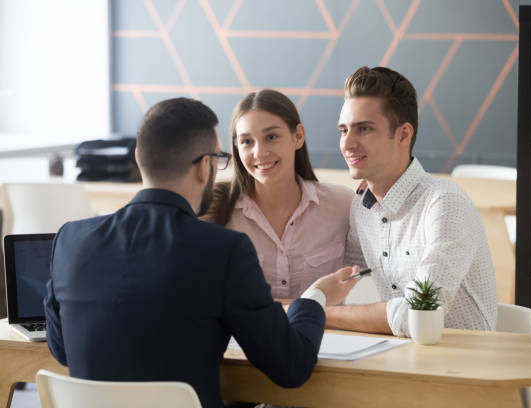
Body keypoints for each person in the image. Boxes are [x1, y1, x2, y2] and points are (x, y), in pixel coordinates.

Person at [44, 97, 358, 408]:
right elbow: (291, 368)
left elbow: (63, 352)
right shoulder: (224, 250)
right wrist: (314, 298)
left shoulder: (70, 240)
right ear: (205, 166)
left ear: (139, 158)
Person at [329, 66, 497, 336]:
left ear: (404, 134)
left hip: (464, 369)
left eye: (364, 129)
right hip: (399, 359)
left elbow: (419, 312)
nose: (347, 143)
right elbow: (343, 288)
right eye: (343, 130)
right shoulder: (361, 208)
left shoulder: (445, 203)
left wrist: (321, 315)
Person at [204, 89, 355, 300]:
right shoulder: (216, 211)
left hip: (328, 334)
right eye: (247, 141)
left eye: (272, 137)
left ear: (298, 137)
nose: (259, 153)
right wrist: (315, 299)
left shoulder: (343, 205)